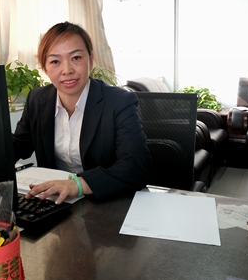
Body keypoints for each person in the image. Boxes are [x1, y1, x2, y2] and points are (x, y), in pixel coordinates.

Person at [12, 22, 152, 204]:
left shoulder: (118, 102)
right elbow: (19, 145)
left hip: (105, 202)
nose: (67, 70)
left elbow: (136, 166)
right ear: (45, 67)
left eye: (76, 58)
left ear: (91, 60)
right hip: (56, 202)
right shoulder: (38, 100)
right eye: (55, 61)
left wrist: (77, 185)